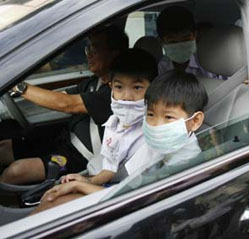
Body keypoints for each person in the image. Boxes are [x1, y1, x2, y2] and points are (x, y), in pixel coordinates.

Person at [31, 70, 208, 214]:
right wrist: (88, 181)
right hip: (125, 195)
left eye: (168, 117)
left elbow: (134, 200)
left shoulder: (185, 161)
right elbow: (127, 180)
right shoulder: (159, 143)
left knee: (53, 203)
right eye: (151, 115)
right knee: (52, 199)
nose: (156, 125)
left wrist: (81, 185)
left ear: (195, 121)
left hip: (142, 212)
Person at [0, 25, 129, 184]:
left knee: (16, 171)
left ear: (114, 54)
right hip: (65, 140)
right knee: (4, 148)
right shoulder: (93, 83)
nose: (88, 54)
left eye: (95, 48)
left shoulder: (117, 93)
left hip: (80, 158)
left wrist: (17, 86)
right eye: (88, 48)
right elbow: (59, 98)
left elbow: (67, 104)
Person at [61, 48, 158, 186]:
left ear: (154, 88)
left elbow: (135, 185)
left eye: (137, 88)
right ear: (111, 87)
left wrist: (84, 184)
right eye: (119, 87)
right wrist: (87, 181)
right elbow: (110, 170)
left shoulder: (156, 128)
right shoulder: (113, 124)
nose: (126, 97)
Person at [156, 6, 223, 79]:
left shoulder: (209, 65)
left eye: (186, 40)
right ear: (161, 42)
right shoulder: (163, 66)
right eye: (173, 42)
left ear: (195, 35)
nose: (180, 46)